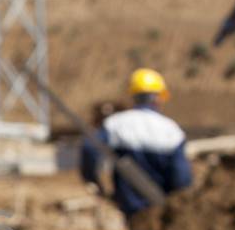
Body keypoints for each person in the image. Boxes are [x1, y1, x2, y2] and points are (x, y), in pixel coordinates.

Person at [79, 67, 193, 218]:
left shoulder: (117, 124)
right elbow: (181, 177)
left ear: (132, 96)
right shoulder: (171, 131)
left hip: (130, 208)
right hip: (162, 211)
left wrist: (94, 181)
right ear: (159, 98)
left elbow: (89, 148)